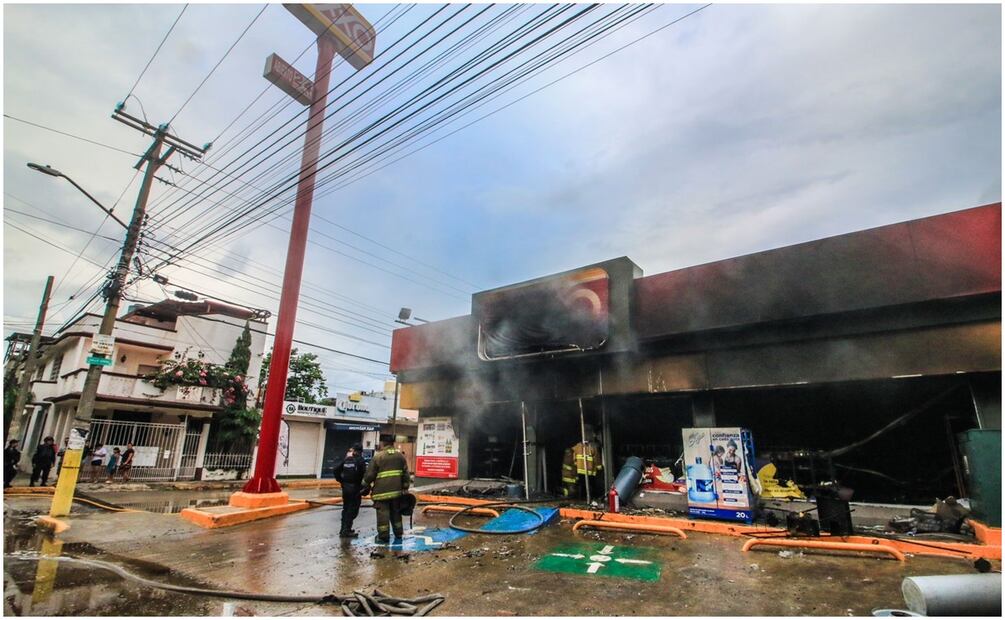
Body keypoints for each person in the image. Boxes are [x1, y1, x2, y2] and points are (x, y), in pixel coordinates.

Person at [362, 438, 410, 545]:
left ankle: (383, 537)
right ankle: (398, 533)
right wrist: (405, 488)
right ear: (392, 444)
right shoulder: (400, 457)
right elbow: (406, 474)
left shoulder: (378, 457)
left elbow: (370, 475)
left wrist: (364, 485)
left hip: (381, 493)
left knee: (383, 516)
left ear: (383, 443)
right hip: (397, 493)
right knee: (396, 514)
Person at [333, 442, 367, 538]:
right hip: (355, 489)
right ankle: (346, 530)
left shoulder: (347, 460)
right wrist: (365, 487)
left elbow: (336, 470)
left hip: (346, 488)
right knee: (353, 510)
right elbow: (365, 476)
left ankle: (343, 529)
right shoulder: (360, 461)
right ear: (361, 451)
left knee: (346, 508)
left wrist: (341, 481)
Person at [560, 432, 603, 501]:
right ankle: (590, 497)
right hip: (590, 470)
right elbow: (596, 458)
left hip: (581, 470)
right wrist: (599, 467)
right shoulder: (592, 447)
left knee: (584, 485)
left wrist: (575, 463)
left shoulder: (578, 446)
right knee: (590, 484)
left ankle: (584, 498)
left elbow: (574, 456)